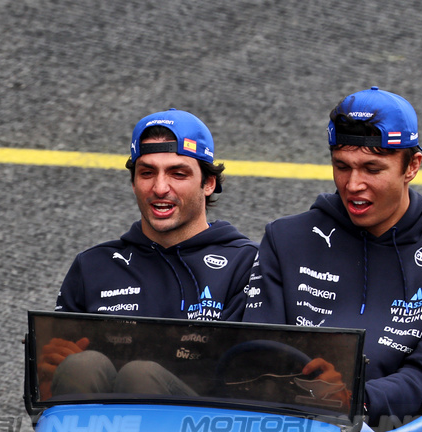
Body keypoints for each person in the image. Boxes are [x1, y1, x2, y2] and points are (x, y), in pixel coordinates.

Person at [244, 87, 422, 426]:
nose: (353, 184)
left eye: (372, 169)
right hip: (285, 426)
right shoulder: (284, 239)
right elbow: (257, 353)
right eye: (342, 166)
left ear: (412, 166)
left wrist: (353, 400)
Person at [40, 109, 259, 397]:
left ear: (208, 183)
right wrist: (47, 369)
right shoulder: (92, 266)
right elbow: (43, 393)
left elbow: (255, 383)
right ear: (133, 183)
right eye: (147, 173)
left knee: (139, 375)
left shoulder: (248, 264)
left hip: (205, 423)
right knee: (82, 366)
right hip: (100, 423)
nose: (160, 188)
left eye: (178, 174)